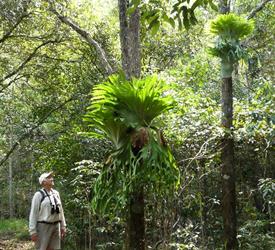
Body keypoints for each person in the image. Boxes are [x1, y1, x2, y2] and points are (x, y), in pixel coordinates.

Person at [29, 172, 66, 250]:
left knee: (55, 248)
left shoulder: (56, 193)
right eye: (49, 178)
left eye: (51, 177)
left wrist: (63, 226)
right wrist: (33, 231)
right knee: (42, 248)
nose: (52, 179)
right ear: (43, 182)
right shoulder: (38, 195)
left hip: (56, 226)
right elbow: (33, 213)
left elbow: (61, 210)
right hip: (43, 227)